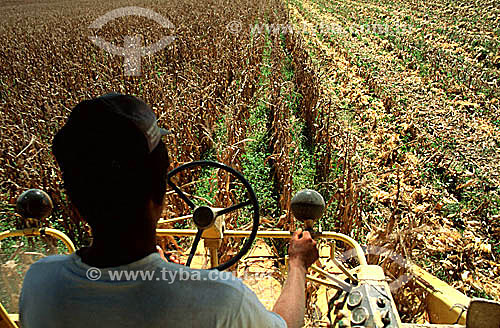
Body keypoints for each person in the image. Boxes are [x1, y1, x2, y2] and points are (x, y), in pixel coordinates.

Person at [19, 93, 319, 328]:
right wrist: (297, 263)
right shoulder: (222, 300)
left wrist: (167, 274)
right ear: (161, 193)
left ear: (74, 203)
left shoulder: (40, 283)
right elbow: (285, 324)